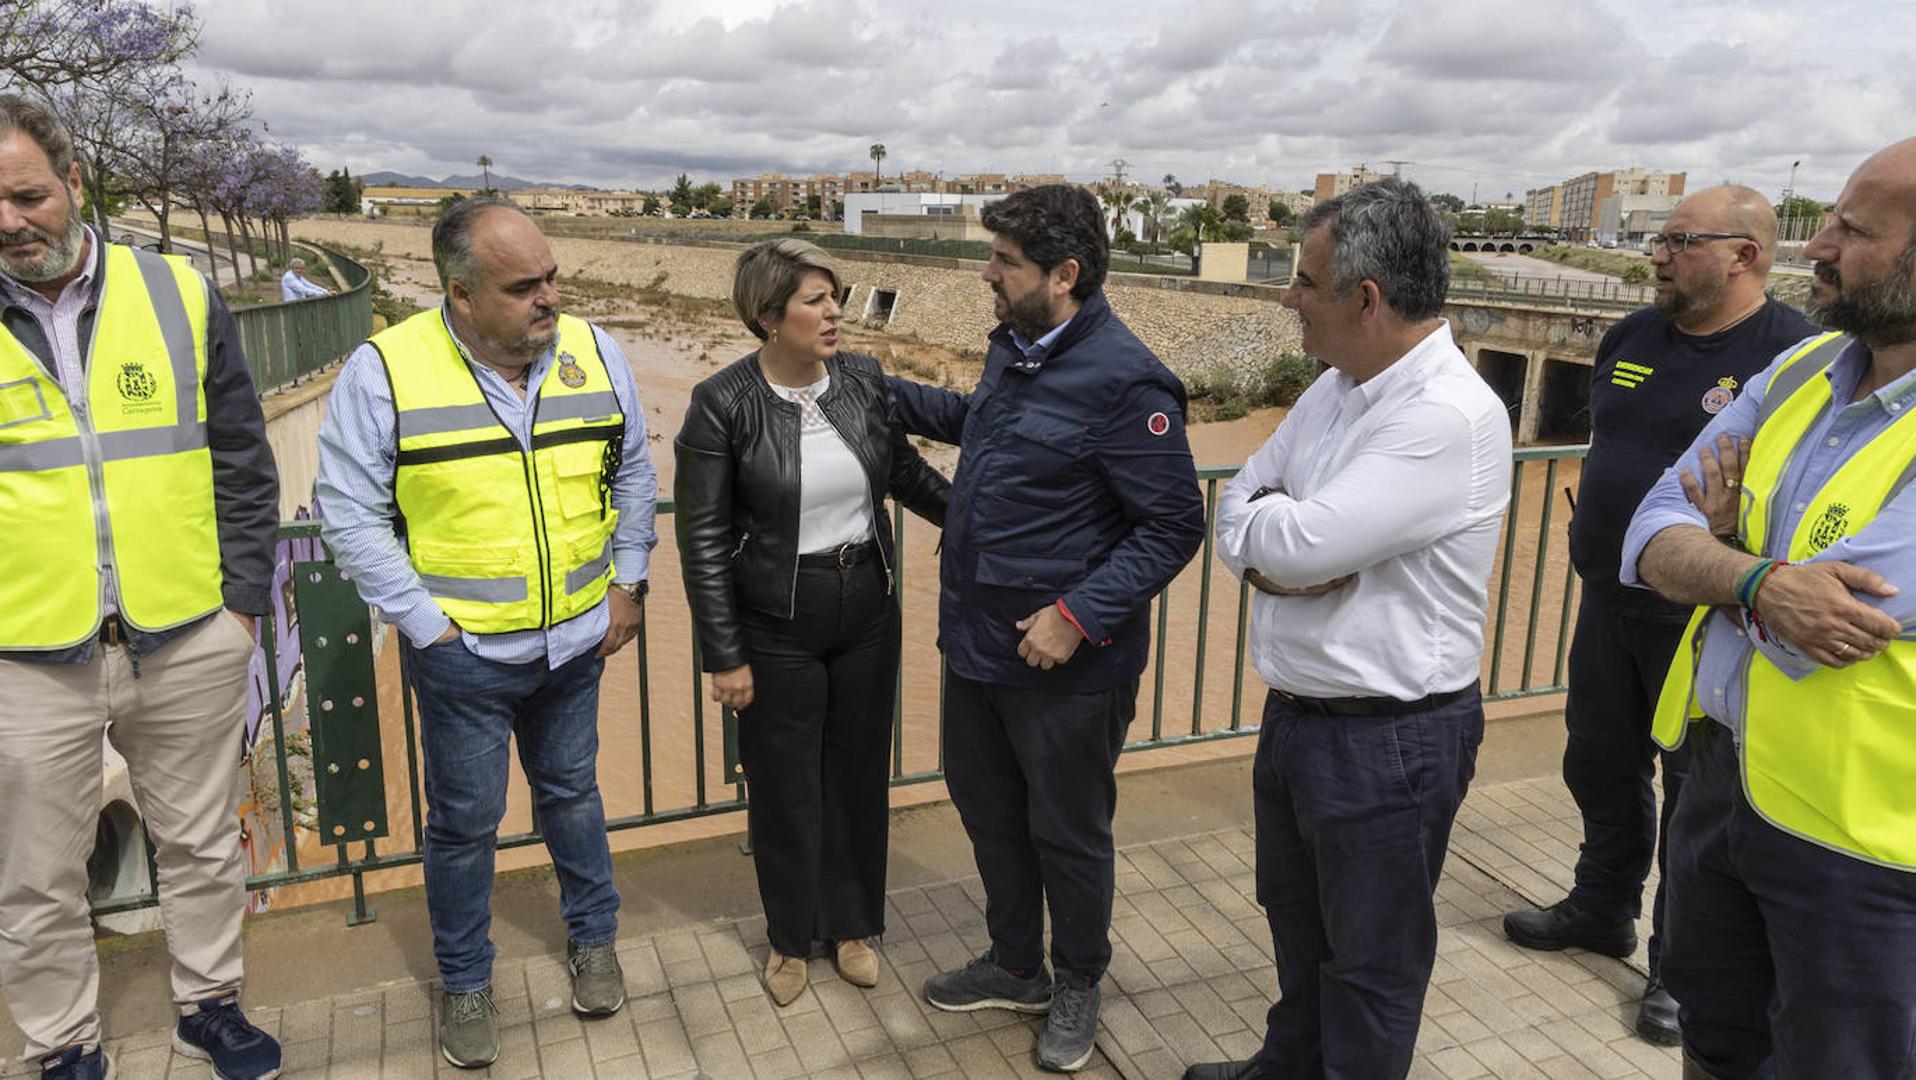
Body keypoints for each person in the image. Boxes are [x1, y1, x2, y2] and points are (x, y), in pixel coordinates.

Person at [315, 197, 656, 1069]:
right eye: (523, 287)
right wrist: (428, 627)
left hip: (579, 643)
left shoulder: (594, 350)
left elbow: (634, 471)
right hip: (463, 658)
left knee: (574, 799)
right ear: (460, 295)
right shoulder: (385, 369)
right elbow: (349, 513)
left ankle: (594, 943)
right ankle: (465, 982)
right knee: (464, 825)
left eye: (553, 277)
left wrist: (628, 580)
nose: (549, 298)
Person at [1190, 178, 1513, 1080]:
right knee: (1298, 931)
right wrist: (1277, 543)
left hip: (1391, 741)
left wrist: (1282, 541)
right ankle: (1287, 1066)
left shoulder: (1444, 416)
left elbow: (1300, 542)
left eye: (1303, 279)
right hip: (1301, 718)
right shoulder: (1339, 386)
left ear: (1364, 299)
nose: (1288, 297)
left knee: (1372, 965)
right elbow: (1246, 507)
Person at [888, 184, 1206, 1073]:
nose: (987, 275)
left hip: (1066, 667)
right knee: (989, 812)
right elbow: (984, 430)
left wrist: (1077, 616)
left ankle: (1079, 980)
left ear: (1064, 275)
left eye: (1005, 263)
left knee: (1068, 831)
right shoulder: (1017, 350)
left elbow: (1174, 526)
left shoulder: (1127, 380)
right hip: (979, 645)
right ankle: (1016, 963)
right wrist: (888, 394)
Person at [0, 95, 282, 1080]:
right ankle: (63, 1044)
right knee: (35, 878)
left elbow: (243, 461)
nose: (10, 220)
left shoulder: (177, 293)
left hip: (186, 630)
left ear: (74, 184)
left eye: (27, 194)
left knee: (202, 843)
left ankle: (209, 1008)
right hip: (26, 655)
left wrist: (243, 606)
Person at [1626, 138, 1916, 1080]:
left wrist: (1721, 557)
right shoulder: (1803, 372)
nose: (1816, 245)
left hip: (1864, 844)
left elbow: (1837, 622)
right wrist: (1755, 578)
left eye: (1852, 229)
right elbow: (1650, 532)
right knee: (1713, 1038)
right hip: (1719, 783)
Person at [1501, 186, 1816, 1044]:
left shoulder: (1795, 356)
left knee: (1692, 795)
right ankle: (1602, 907)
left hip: (1703, 619)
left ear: (1744, 254)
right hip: (1607, 601)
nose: (1658, 255)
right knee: (1598, 764)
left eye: (1679, 240)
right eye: (1660, 241)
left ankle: (1680, 969)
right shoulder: (1630, 336)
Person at [674, 239, 949, 1007]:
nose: (835, 313)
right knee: (786, 785)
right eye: (816, 301)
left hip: (865, 604)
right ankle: (791, 939)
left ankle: (855, 927)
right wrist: (724, 655)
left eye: (837, 297)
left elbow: (901, 471)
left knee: (859, 774)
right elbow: (700, 540)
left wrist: (972, 519)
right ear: (768, 316)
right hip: (775, 618)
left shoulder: (860, 380)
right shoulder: (722, 402)